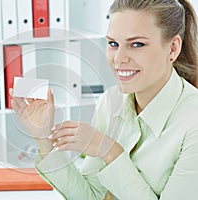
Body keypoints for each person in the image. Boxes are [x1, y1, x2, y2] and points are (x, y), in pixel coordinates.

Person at [10, 0, 198, 199]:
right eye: (113, 44)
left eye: (136, 44)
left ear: (172, 49)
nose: (119, 58)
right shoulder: (111, 101)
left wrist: (110, 152)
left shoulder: (192, 123)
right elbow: (91, 196)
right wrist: (43, 139)